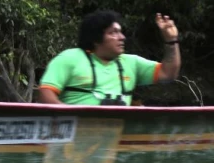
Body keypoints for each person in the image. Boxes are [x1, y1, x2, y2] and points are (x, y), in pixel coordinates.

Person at [39, 10, 181, 105]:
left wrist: (171, 41)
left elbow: (168, 73)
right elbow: (46, 93)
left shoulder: (132, 63)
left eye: (121, 32)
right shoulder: (69, 58)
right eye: (114, 33)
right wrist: (71, 117)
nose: (122, 38)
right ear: (96, 38)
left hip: (117, 134)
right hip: (77, 133)